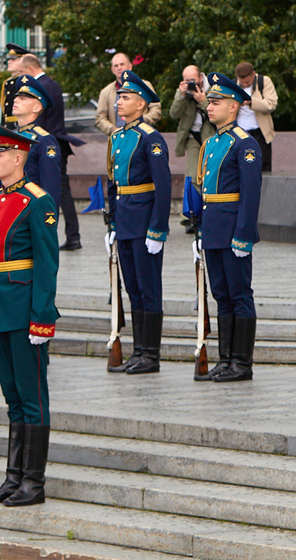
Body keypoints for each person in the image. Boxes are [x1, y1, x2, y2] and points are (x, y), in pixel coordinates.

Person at [0, 121, 60, 507]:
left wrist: (42, 318)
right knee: (12, 398)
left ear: (19, 158)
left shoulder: (37, 201)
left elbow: (46, 264)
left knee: (32, 397)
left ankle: (33, 482)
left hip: (25, 310)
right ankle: (13, 478)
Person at [187, 73, 262, 383]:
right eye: (210, 102)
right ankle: (226, 359)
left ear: (234, 106)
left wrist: (243, 235)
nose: (210, 107)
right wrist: (201, 232)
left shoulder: (244, 144)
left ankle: (241, 363)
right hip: (214, 230)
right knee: (221, 295)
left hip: (233, 230)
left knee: (239, 294)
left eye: (216, 102)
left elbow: (250, 195)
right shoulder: (211, 143)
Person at [104, 69, 170, 375]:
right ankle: (138, 351)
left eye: (126, 97)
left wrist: (157, 229)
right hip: (125, 221)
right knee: (132, 287)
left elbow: (163, 187)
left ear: (141, 104)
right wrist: (113, 224)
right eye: (119, 97)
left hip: (144, 222)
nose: (119, 102)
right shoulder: (118, 137)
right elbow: (114, 184)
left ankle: (151, 355)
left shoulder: (150, 138)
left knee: (148, 288)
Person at [21, 52, 81, 251]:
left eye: (22, 72)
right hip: (51, 142)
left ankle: (69, 234)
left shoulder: (43, 86)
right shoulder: (50, 84)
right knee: (62, 191)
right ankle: (72, 235)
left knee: (57, 191)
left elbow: (40, 121)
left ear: (30, 69)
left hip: (47, 144)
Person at [9, 78, 63, 211]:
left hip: (30, 208)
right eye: (17, 97)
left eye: (23, 98)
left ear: (37, 107)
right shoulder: (9, 136)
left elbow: (50, 185)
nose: (16, 100)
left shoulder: (44, 140)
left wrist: (48, 218)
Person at [169, 65, 209, 219]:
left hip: (211, 138)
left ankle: (208, 214)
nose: (190, 83)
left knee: (210, 176)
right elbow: (174, 114)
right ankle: (189, 216)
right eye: (187, 80)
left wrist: (203, 101)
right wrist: (181, 96)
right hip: (193, 138)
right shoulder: (182, 92)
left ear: (200, 78)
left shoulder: (213, 89)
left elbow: (220, 115)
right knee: (192, 177)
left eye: (193, 80)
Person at [234, 63, 278, 172]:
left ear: (253, 74)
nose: (245, 84)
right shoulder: (234, 84)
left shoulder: (264, 81)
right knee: (240, 166)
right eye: (242, 82)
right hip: (240, 132)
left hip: (261, 132)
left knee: (263, 166)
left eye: (248, 82)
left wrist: (251, 102)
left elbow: (271, 105)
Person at [93, 52, 132, 134]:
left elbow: (155, 109)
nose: (119, 68)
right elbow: (100, 117)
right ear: (112, 70)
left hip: (141, 136)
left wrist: (141, 123)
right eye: (116, 66)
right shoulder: (105, 92)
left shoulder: (145, 87)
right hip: (117, 138)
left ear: (130, 66)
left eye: (122, 64)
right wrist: (113, 130)